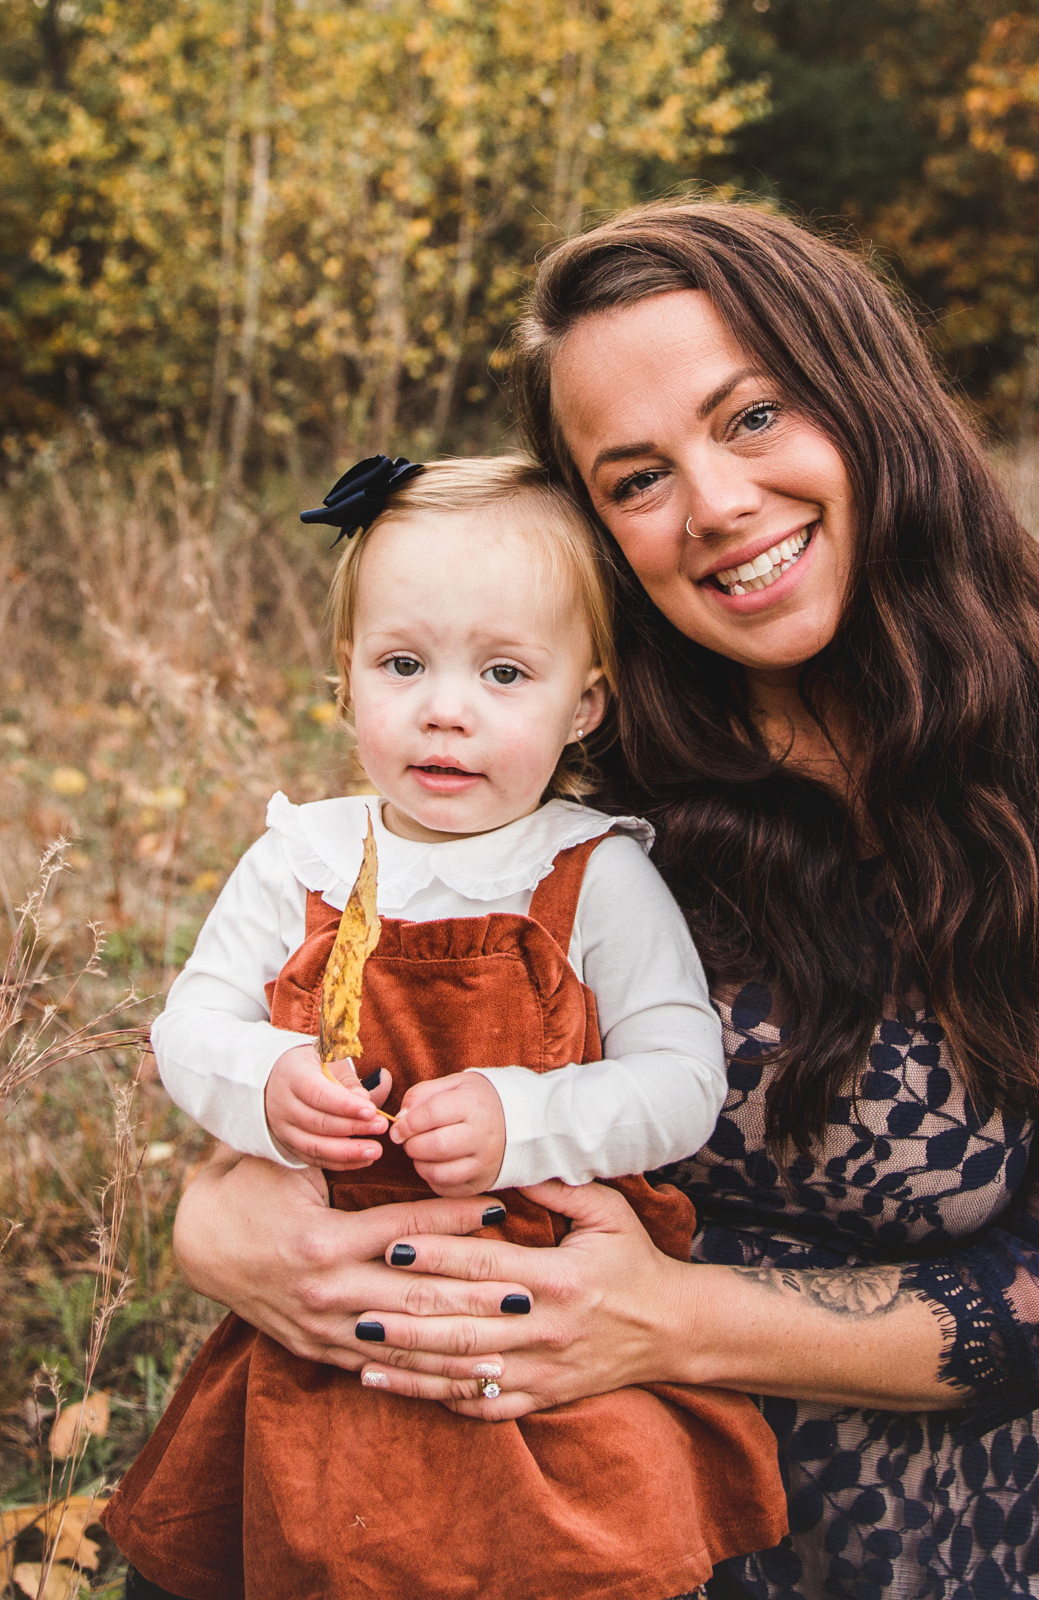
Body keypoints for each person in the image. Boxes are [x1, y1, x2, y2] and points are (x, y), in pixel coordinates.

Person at [162, 203, 1039, 1600]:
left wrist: (666, 1320)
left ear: (869, 399)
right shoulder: (563, 781)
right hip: (556, 1522)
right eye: (636, 479)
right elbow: (336, 1059)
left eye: (752, 417)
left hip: (942, 1544)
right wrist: (220, 1220)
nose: (717, 504)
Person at [102, 453, 787, 1600]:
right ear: (346, 680)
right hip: (328, 1310)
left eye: (505, 672)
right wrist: (267, 1079)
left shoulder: (590, 870)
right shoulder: (303, 856)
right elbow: (191, 1024)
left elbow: (679, 1081)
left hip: (539, 1323)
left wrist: (526, 1118)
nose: (444, 708)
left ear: (584, 703)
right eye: (402, 663)